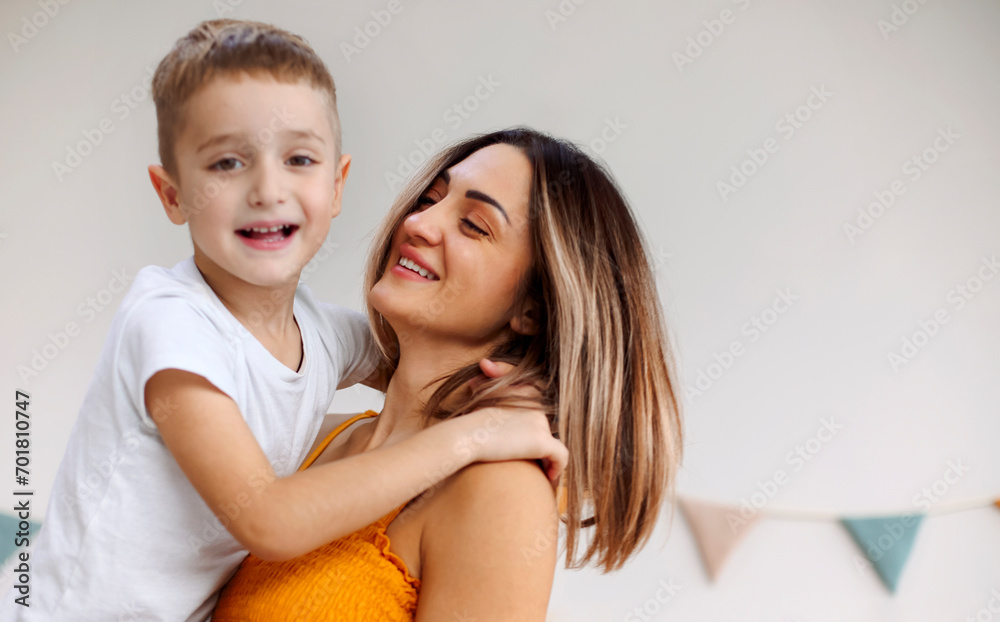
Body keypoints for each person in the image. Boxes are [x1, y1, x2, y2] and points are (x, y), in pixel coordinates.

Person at [0, 23, 565, 622]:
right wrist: (474, 435)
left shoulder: (321, 335)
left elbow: (406, 369)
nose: (267, 190)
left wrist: (530, 405)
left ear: (337, 184)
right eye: (227, 162)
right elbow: (269, 519)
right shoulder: (168, 321)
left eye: (298, 159)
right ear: (172, 195)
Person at [212, 127, 684, 621]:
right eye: (430, 199)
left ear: (533, 308)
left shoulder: (500, 489)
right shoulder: (317, 436)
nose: (418, 223)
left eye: (474, 226)